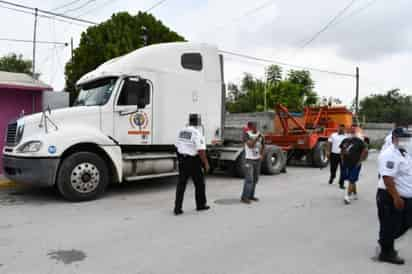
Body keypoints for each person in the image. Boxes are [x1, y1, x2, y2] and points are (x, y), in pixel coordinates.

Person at [376, 127, 412, 265]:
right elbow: (387, 179)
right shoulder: (389, 154)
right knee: (389, 225)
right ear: (394, 138)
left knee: (406, 222)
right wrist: (396, 197)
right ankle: (386, 252)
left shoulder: (404, 152)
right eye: (402, 138)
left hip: (405, 196)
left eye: (406, 138)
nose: (405, 140)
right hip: (390, 196)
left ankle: (385, 240)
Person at [174, 114, 210, 215]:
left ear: (189, 121)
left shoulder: (182, 131)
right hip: (193, 161)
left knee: (181, 185)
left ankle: (177, 208)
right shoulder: (197, 133)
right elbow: (201, 150)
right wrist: (206, 163)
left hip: (182, 159)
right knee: (199, 184)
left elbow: (177, 145)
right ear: (198, 122)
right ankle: (200, 205)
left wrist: (181, 157)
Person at [340, 126, 368, 204]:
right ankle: (355, 193)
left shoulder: (359, 141)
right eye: (349, 132)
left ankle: (347, 196)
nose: (350, 133)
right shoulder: (344, 141)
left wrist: (360, 161)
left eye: (352, 132)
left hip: (356, 164)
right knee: (351, 180)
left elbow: (365, 151)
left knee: (351, 180)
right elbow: (341, 150)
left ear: (355, 133)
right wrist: (342, 159)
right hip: (346, 163)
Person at [241, 121, 264, 204]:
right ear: (250, 127)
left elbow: (263, 145)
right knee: (249, 179)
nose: (256, 127)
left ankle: (251, 195)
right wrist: (257, 138)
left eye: (256, 125)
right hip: (249, 159)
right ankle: (245, 197)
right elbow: (250, 145)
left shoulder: (260, 134)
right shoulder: (246, 135)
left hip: (257, 160)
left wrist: (261, 154)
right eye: (254, 126)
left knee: (255, 179)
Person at [327, 124, 347, 189]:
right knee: (333, 168)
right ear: (338, 128)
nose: (341, 129)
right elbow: (329, 144)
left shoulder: (346, 137)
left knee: (343, 170)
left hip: (343, 156)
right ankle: (332, 176)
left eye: (342, 128)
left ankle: (341, 183)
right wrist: (328, 152)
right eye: (340, 128)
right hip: (334, 154)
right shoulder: (333, 135)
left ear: (344, 129)